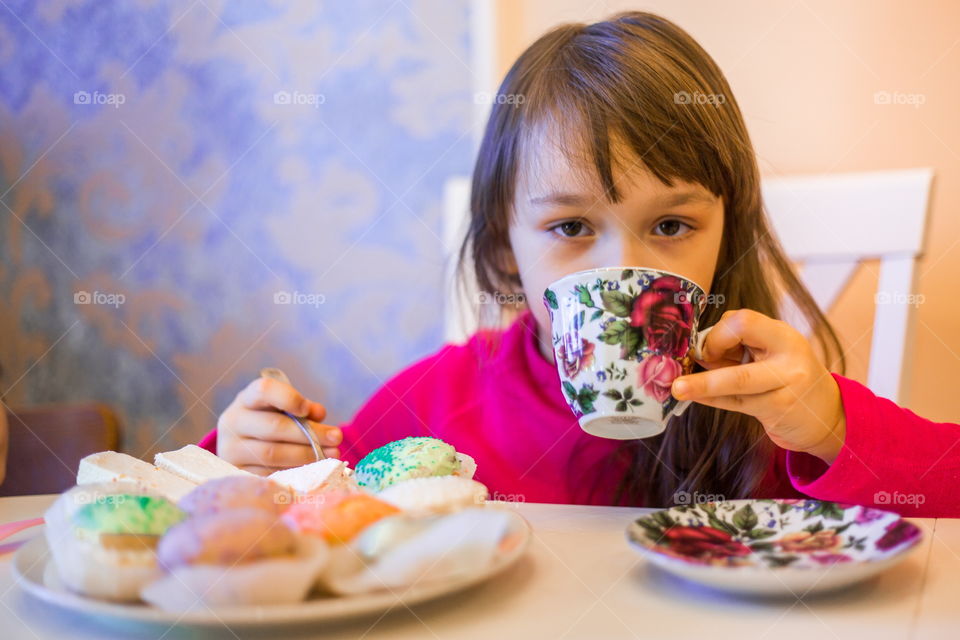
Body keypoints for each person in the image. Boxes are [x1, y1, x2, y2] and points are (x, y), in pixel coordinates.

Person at [202, 12, 958, 517]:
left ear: (723, 239)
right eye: (570, 225)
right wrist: (248, 460)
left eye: (670, 223)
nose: (624, 269)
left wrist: (832, 430)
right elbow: (311, 504)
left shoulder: (770, 407)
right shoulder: (443, 403)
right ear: (505, 251)